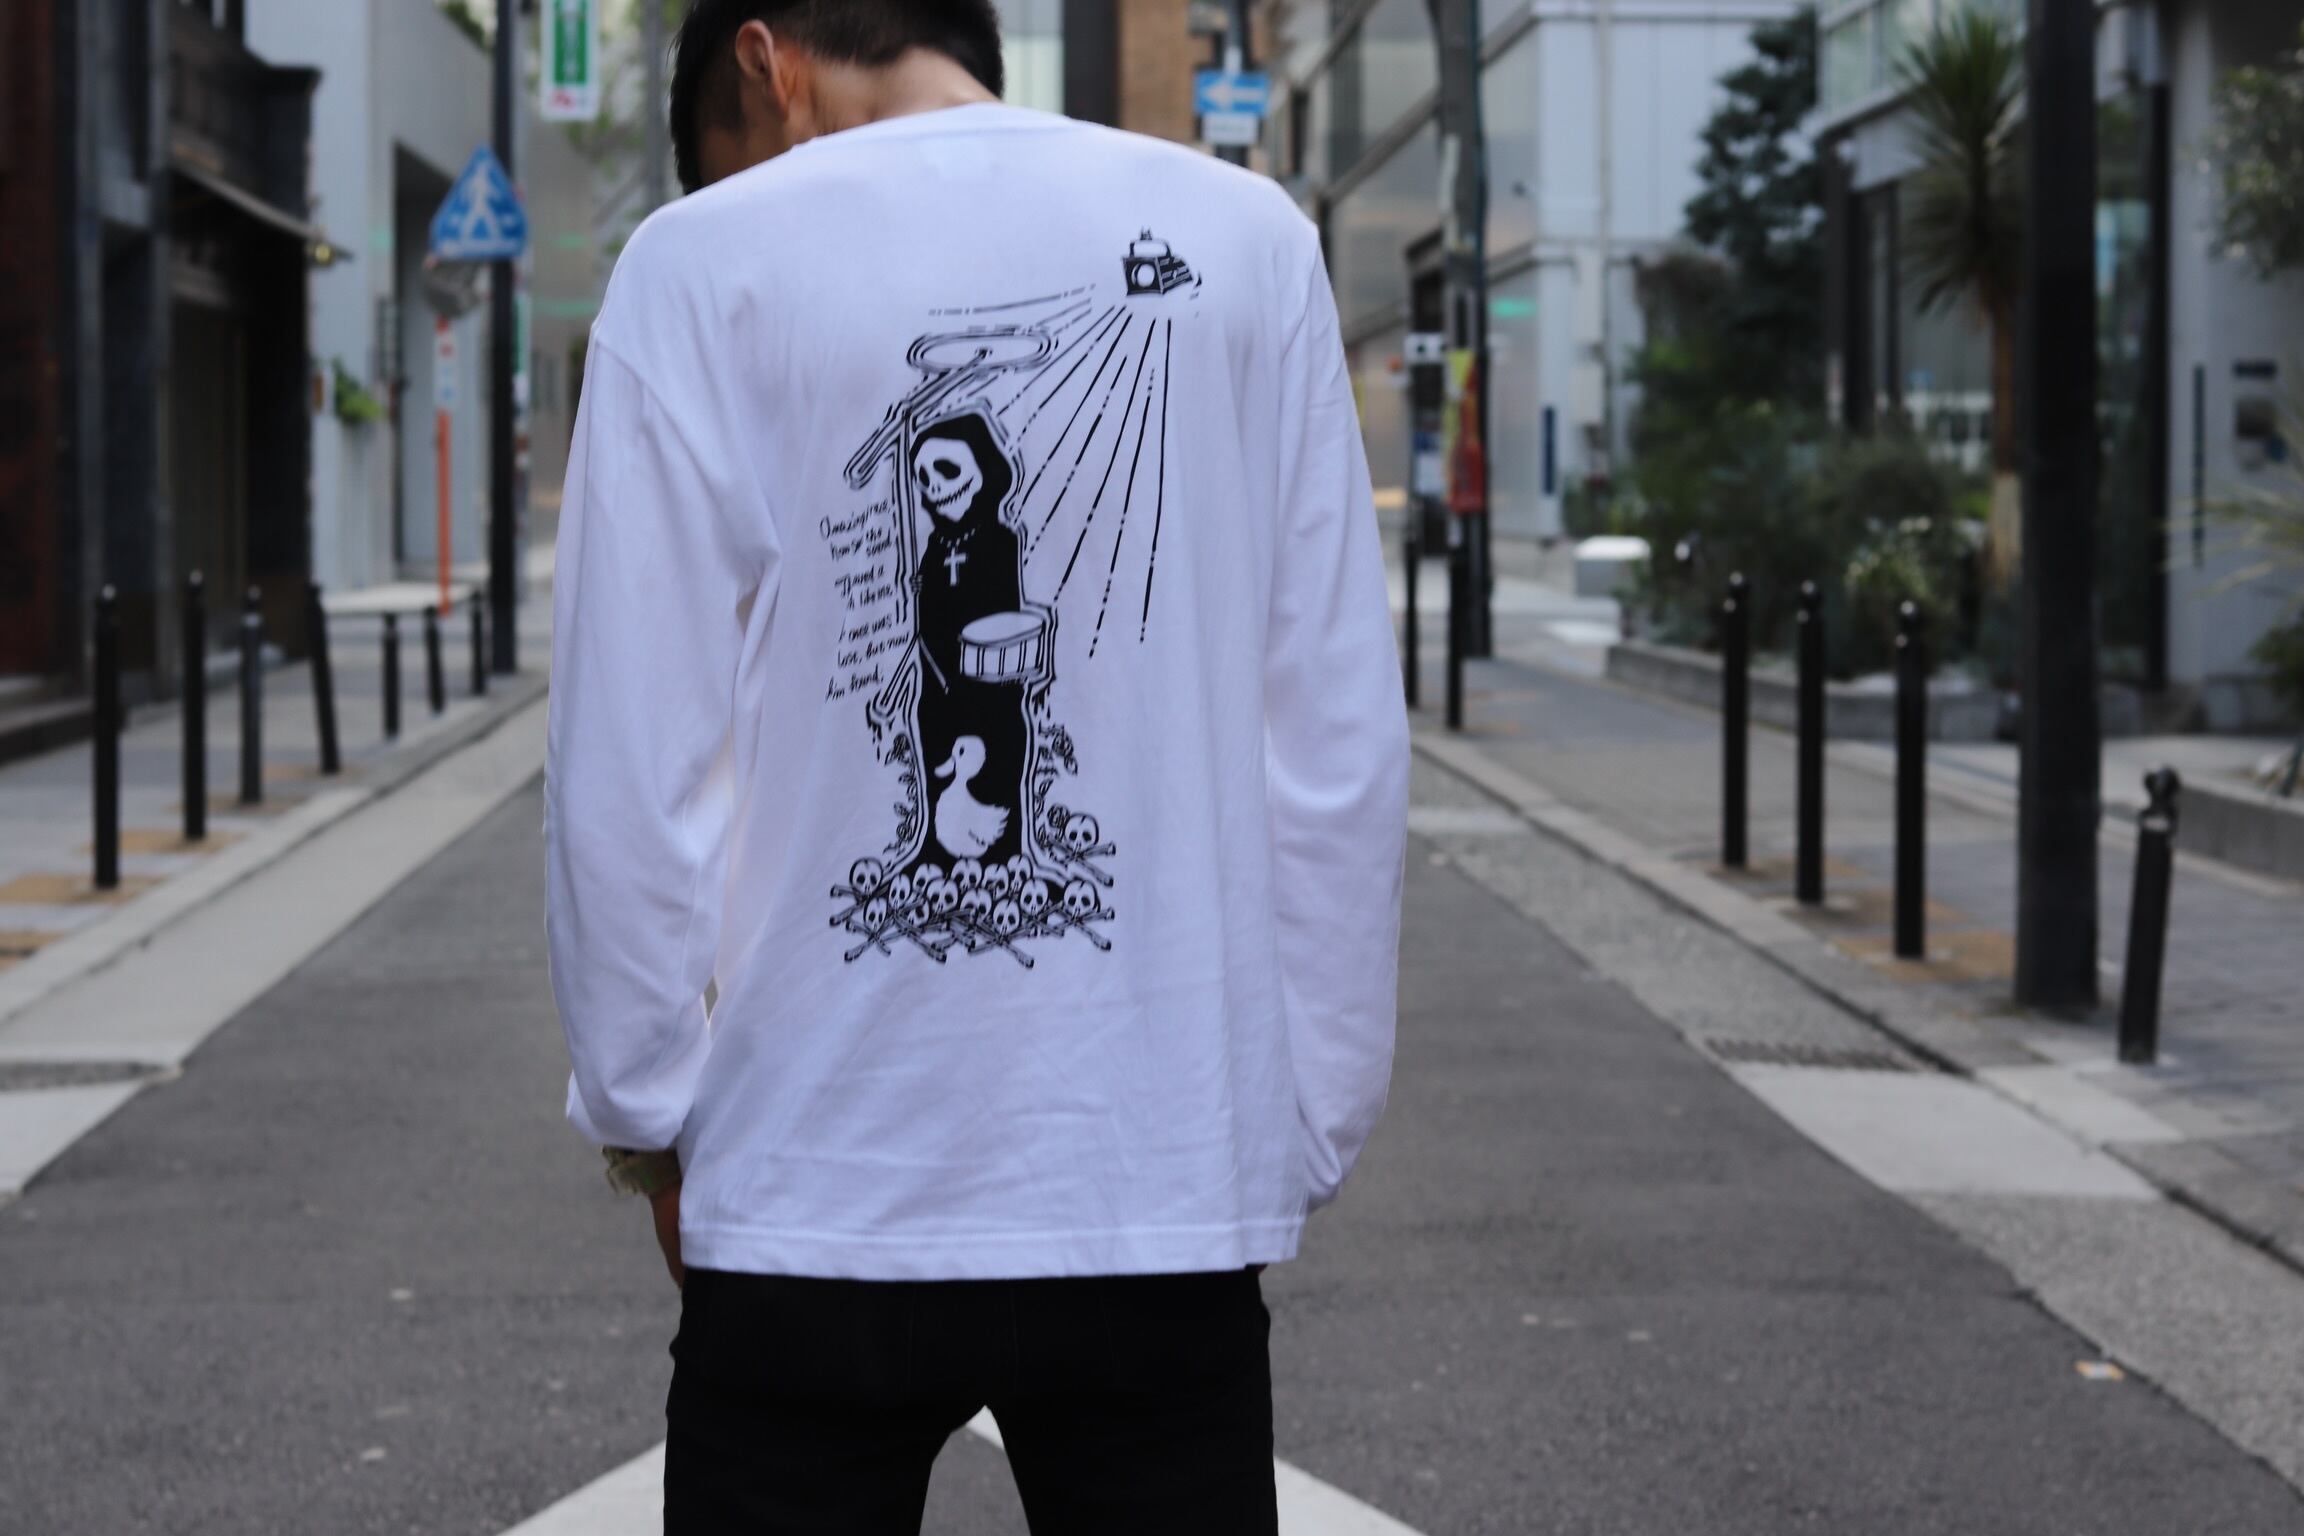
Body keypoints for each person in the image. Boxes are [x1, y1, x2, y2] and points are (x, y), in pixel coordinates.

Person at [544, 1, 1409, 1530]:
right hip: (1158, 1181)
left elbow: (629, 766)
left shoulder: (697, 265)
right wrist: (1299, 1120)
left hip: (811, 1179)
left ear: (766, 63)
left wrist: (653, 1122)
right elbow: (1332, 735)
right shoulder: (1252, 244)